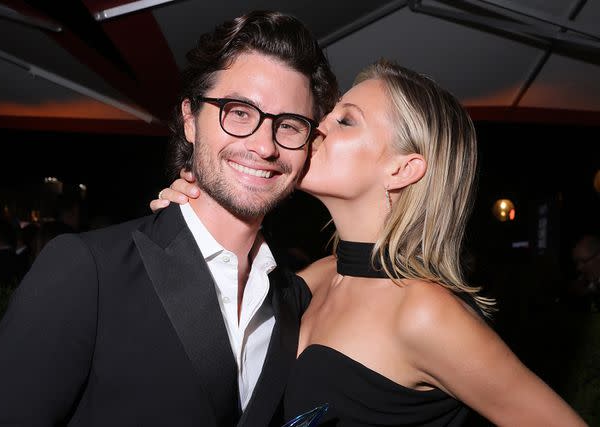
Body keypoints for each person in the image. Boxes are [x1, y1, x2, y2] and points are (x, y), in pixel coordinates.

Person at [154, 59, 586, 425]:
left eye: (345, 120)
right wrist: (203, 219)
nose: (316, 125)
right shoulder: (314, 279)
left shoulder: (424, 312)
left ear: (402, 170)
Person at [0, 11, 338, 427]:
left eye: (289, 125)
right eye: (240, 112)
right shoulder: (90, 270)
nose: (265, 146)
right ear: (191, 120)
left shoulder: (290, 298)